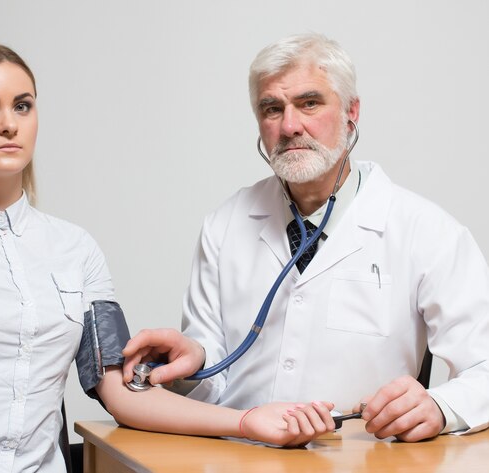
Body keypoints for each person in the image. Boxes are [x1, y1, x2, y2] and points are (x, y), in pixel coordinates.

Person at [0, 42, 340, 473]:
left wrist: (250, 421)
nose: (9, 123)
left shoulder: (76, 249)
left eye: (22, 106)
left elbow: (120, 392)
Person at [123, 33, 489, 443]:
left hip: (364, 462)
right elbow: (215, 387)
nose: (290, 125)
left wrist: (439, 407)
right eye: (272, 108)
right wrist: (195, 363)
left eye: (309, 103)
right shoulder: (224, 225)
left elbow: (485, 368)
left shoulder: (427, 231)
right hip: (241, 459)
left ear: (352, 112)